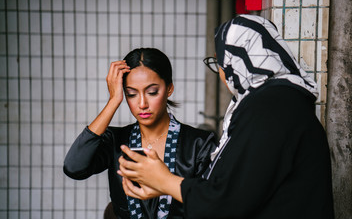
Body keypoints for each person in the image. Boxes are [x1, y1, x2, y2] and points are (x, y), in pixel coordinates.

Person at [118, 15, 335, 218]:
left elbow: (227, 200)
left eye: (220, 62)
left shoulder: (271, 109)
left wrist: (164, 181)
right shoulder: (276, 102)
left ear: (237, 62)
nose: (222, 73)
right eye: (131, 94)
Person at [63, 48, 216, 218]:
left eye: (152, 92)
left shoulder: (199, 144)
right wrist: (113, 101)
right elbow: (74, 168)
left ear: (169, 88)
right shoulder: (116, 140)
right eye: (131, 94)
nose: (142, 103)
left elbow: (212, 203)